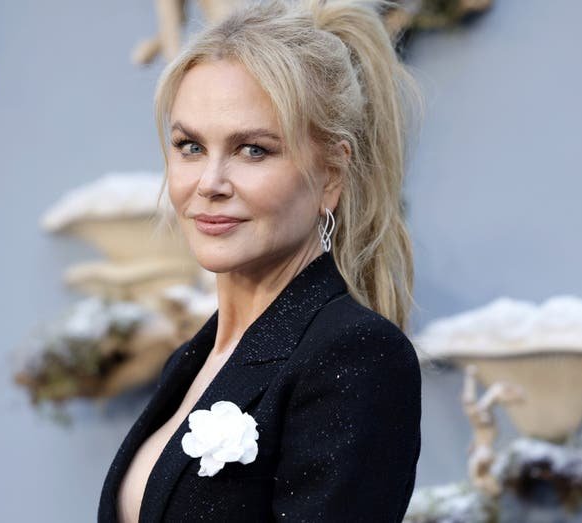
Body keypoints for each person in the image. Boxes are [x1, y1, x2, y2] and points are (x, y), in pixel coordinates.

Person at [98, 0, 423, 521]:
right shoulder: (189, 359)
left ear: (331, 175)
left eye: (253, 150)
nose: (210, 183)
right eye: (190, 146)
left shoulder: (353, 354)